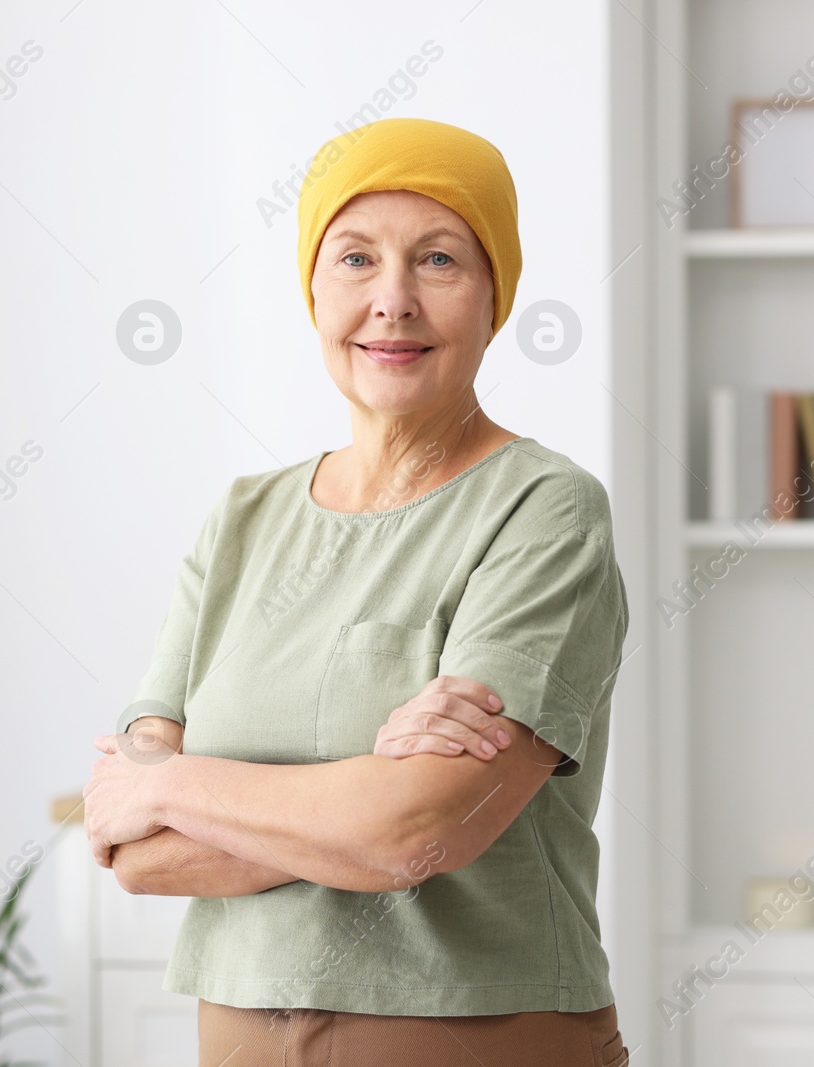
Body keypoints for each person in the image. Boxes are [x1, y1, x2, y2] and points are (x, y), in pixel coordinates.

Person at [82, 116, 630, 1067]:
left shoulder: (545, 512)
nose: (393, 301)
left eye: (440, 260)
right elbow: (135, 851)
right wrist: (363, 794)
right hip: (238, 1038)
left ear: (496, 294)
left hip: (476, 1040)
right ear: (312, 289)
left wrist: (171, 783)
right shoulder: (240, 522)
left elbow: (419, 829)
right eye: (355, 259)